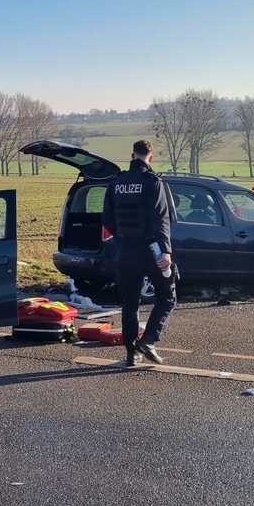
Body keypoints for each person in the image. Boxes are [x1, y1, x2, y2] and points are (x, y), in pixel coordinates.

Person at [102, 139, 176, 367]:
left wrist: (124, 236)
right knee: (167, 296)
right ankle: (150, 340)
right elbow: (161, 218)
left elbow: (106, 219)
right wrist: (166, 251)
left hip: (124, 249)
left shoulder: (116, 184)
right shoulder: (153, 182)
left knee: (130, 303)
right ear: (150, 157)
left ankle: (131, 353)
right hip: (150, 249)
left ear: (132, 155)